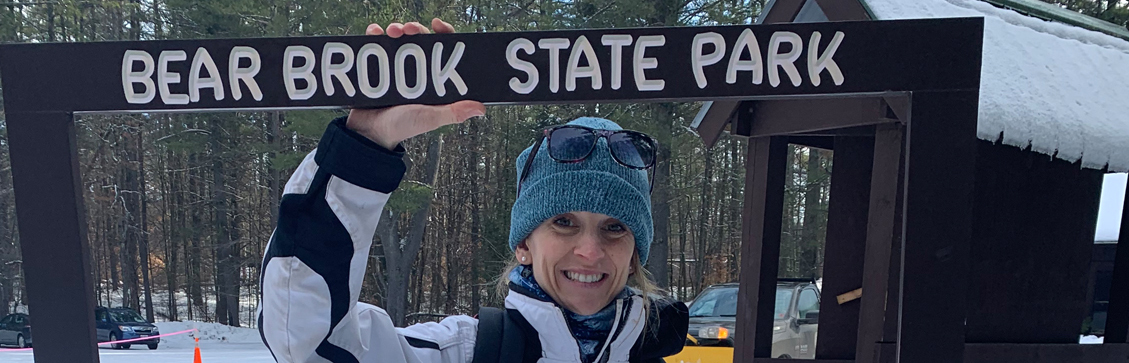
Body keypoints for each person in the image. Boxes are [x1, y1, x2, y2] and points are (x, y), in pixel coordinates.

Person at [257, 18, 689, 363]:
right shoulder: (461, 352)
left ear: (634, 254)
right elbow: (310, 344)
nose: (590, 252)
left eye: (615, 228)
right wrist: (363, 146)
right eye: (564, 222)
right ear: (524, 244)